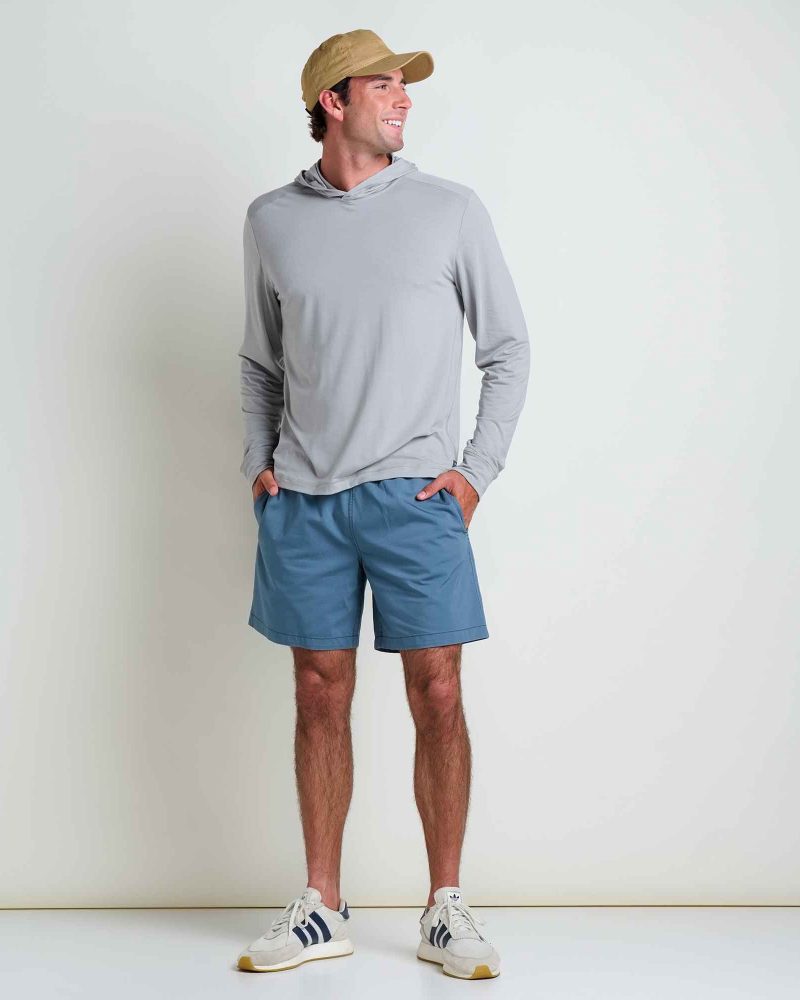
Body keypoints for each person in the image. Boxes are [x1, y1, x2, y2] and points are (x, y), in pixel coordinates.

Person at [236, 28, 530, 980]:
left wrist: (475, 473)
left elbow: (507, 348)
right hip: (306, 498)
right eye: (385, 85)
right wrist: (258, 463)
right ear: (333, 102)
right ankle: (321, 905)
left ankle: (446, 906)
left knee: (437, 691)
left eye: (406, 86)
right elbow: (260, 361)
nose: (404, 99)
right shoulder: (271, 220)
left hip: (417, 495)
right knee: (318, 694)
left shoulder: (449, 211)